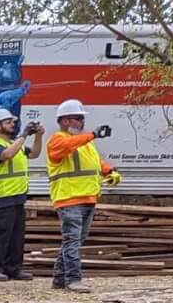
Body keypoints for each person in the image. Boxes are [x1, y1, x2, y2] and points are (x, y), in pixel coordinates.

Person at [45, 98, 119, 293]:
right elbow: (68, 145)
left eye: (81, 118)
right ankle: (73, 280)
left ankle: (59, 279)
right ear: (65, 121)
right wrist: (93, 134)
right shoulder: (57, 140)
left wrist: (110, 171)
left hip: (87, 197)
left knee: (74, 241)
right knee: (72, 241)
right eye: (78, 118)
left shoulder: (85, 143)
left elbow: (95, 162)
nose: (81, 122)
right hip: (69, 199)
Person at [0, 107, 42, 281]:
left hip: (17, 195)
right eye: (8, 122)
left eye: (13, 122)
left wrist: (38, 135)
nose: (12, 125)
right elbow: (5, 155)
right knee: (1, 234)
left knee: (16, 235)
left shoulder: (15, 144)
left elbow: (35, 154)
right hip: (0, 196)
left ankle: (13, 269)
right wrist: (24, 135)